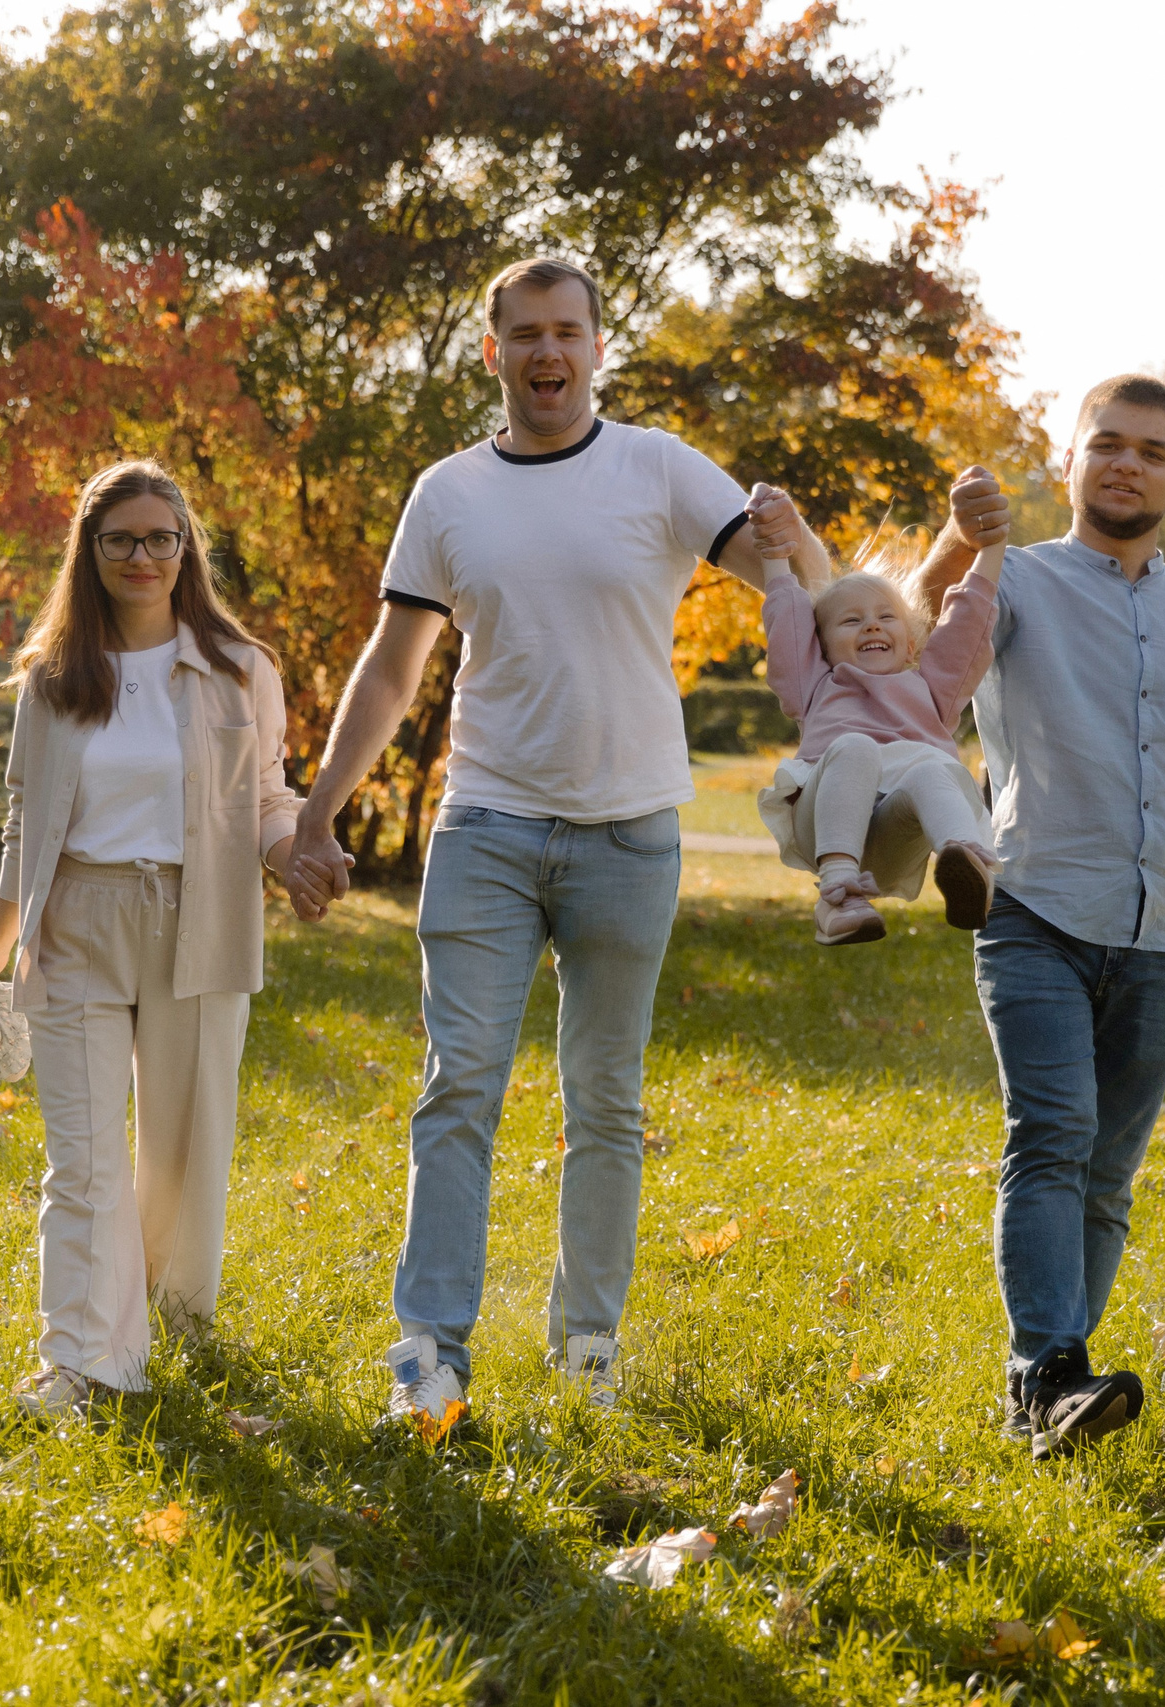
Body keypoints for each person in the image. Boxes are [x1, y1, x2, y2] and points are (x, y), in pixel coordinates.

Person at [282, 257, 822, 1434]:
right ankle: (430, 1359)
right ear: (493, 353)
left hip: (629, 833)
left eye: (566, 332)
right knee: (457, 1089)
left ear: (594, 345)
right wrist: (320, 807)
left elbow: (793, 588)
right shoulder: (448, 493)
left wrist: (800, 541)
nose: (546, 353)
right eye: (523, 334)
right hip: (485, 824)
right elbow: (393, 665)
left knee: (606, 1101)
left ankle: (587, 1348)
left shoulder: (660, 467)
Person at [911, 374, 1165, 1460]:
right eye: (1106, 445)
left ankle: (1048, 1398)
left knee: (1110, 1174)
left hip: (1163, 930)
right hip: (1031, 904)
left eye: (1149, 451)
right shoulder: (1013, 579)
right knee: (1052, 1136)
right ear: (1068, 463)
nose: (1125, 464)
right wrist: (953, 539)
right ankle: (1048, 1369)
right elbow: (908, 636)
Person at [0, 460, 303, 1418]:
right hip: (78, 925)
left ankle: (166, 1315)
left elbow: (269, 797)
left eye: (160, 537)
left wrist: (298, 852)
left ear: (186, 547)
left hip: (203, 920)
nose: (142, 555)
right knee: (85, 1160)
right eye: (121, 540)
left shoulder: (241, 668)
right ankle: (83, 1357)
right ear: (91, 552)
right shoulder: (54, 680)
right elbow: (26, 824)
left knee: (184, 1150)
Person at [747, 492, 1003, 946]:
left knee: (930, 769)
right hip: (825, 825)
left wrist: (991, 547)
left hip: (893, 839)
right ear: (820, 648)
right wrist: (773, 556)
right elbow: (786, 620)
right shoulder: (816, 684)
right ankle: (838, 893)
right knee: (856, 746)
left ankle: (967, 861)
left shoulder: (930, 690)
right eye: (851, 621)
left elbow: (966, 623)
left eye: (887, 617)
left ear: (910, 645)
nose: (872, 626)